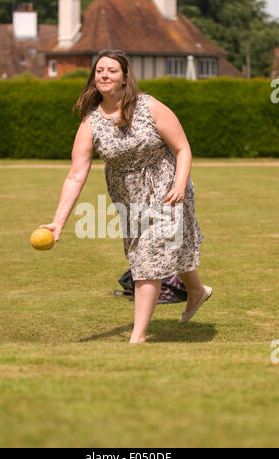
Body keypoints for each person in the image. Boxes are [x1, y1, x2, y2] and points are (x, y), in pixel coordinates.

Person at [39, 50, 213, 344]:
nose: (104, 75)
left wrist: (180, 185)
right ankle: (197, 291)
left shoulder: (149, 106)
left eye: (111, 70)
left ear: (124, 78)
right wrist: (58, 223)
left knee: (147, 259)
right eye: (99, 70)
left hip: (166, 186)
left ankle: (138, 336)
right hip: (129, 198)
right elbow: (75, 175)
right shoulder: (90, 123)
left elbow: (183, 148)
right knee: (168, 248)